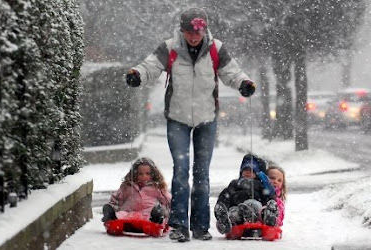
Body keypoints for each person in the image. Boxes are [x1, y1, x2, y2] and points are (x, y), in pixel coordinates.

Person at [125, 7, 256, 242]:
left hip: (207, 118)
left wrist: (244, 83)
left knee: (201, 173)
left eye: (198, 32)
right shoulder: (170, 48)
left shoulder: (216, 49)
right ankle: (178, 225)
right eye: (189, 32)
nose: (194, 36)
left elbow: (232, 73)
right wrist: (137, 74)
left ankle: (200, 226)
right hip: (178, 118)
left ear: (204, 29)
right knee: (181, 171)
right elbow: (151, 66)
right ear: (182, 30)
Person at [214, 154, 278, 234]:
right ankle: (225, 221)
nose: (248, 172)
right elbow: (226, 194)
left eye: (252, 170)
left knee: (258, 208)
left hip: (256, 209)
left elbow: (268, 195)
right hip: (237, 207)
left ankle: (268, 217)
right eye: (245, 169)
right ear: (241, 171)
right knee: (234, 213)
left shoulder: (259, 184)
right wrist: (223, 204)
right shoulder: (235, 183)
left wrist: (269, 203)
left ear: (256, 174)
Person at [101, 157, 171, 227]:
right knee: (121, 214)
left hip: (148, 214)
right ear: (135, 174)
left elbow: (168, 202)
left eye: (147, 174)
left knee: (155, 214)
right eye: (140, 174)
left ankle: (156, 221)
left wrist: (163, 211)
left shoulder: (157, 188)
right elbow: (116, 200)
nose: (144, 177)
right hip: (129, 214)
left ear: (153, 174)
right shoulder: (128, 186)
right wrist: (113, 208)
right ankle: (112, 218)